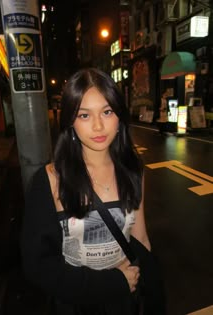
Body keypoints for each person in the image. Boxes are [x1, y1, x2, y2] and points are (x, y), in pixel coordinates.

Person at [21, 68, 163, 315]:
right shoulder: (52, 179)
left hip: (124, 302)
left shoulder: (133, 170)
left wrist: (155, 298)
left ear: (119, 116)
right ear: (70, 121)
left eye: (107, 112)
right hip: (76, 304)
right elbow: (38, 266)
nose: (98, 126)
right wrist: (113, 283)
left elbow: (140, 238)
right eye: (84, 115)